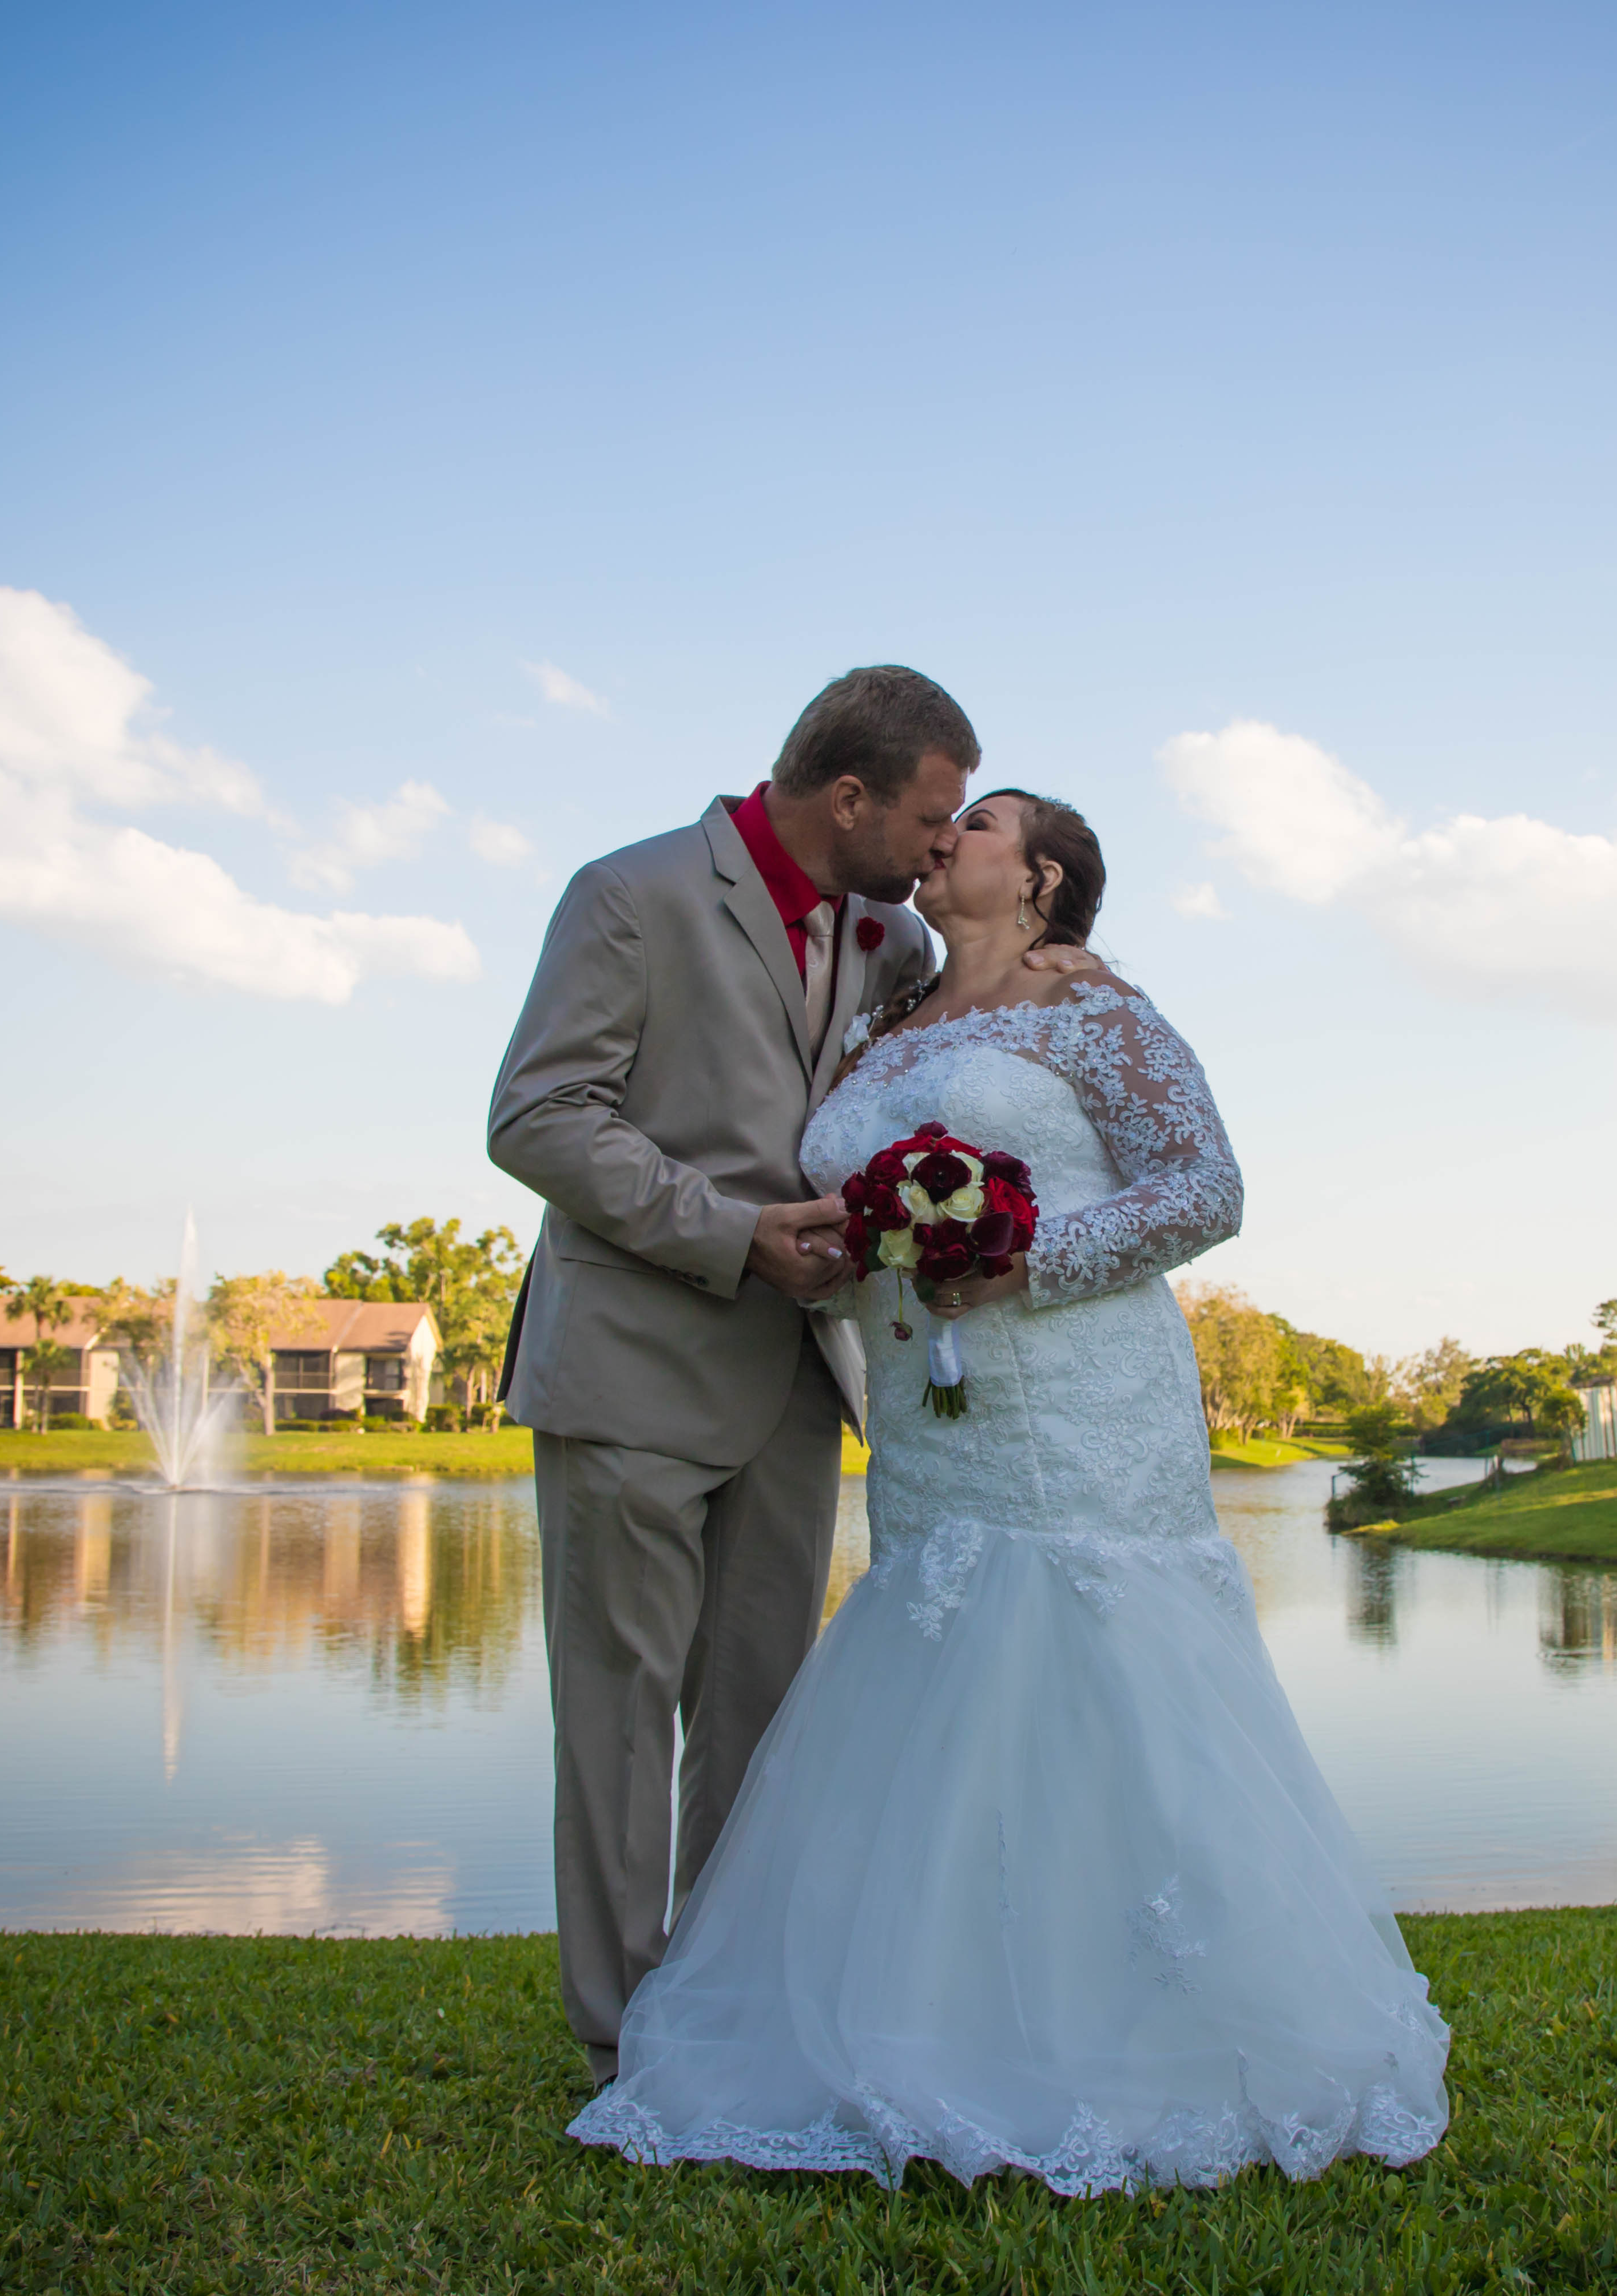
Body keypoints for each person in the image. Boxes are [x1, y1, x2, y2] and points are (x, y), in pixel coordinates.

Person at [568, 790, 1453, 2194]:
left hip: (1080, 1386)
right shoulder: (885, 1023)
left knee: (1091, 1664)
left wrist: (1024, 1258)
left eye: (976, 826)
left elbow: (1202, 1189)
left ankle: (1153, 2032)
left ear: (1042, 878)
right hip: (928, 1403)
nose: (945, 840)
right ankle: (926, 2022)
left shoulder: (1098, 1013)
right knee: (940, 1663)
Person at [487, 665, 968, 2087]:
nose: (941, 849)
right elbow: (537, 1116)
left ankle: (719, 2006)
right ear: (848, 798)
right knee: (620, 1724)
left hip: (796, 1380)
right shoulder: (629, 895)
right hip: (632, 1362)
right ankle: (619, 2041)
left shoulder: (889, 941)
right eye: (930, 822)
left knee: (759, 1722)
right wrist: (729, 1232)